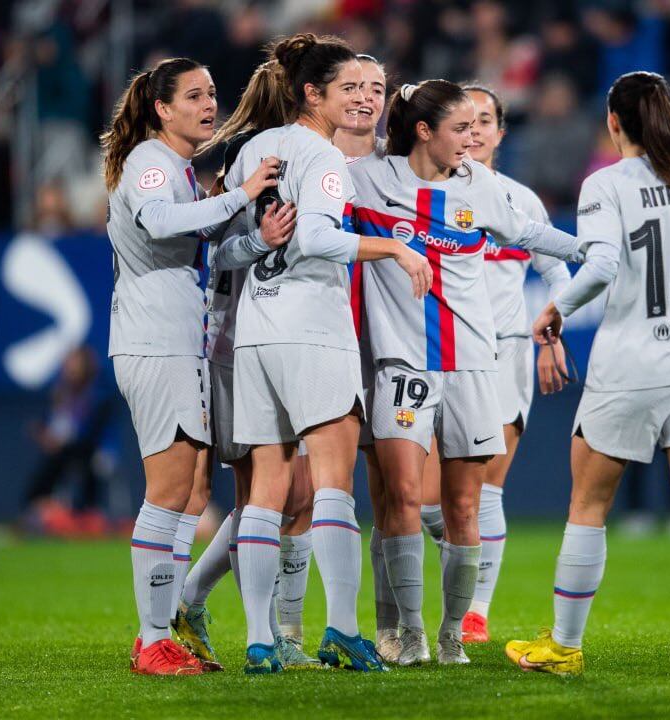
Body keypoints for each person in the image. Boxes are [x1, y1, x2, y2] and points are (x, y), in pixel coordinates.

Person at [502, 70, 670, 680]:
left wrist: (556, 309)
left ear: (613, 122)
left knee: (588, 503)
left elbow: (601, 264)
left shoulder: (606, 183)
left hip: (634, 359)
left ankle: (565, 648)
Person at [349, 78, 582, 666]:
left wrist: (591, 252)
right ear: (425, 131)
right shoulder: (372, 177)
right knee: (401, 495)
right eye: (459, 128)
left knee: (462, 507)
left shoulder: (481, 186)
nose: (470, 141)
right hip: (404, 363)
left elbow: (528, 234)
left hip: (475, 364)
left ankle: (453, 633)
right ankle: (410, 633)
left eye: (479, 128)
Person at [227, 33, 430, 674]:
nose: (360, 99)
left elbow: (227, 250)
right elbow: (316, 238)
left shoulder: (253, 151)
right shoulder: (324, 158)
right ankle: (342, 629)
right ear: (313, 94)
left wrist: (263, 245)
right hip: (312, 328)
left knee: (266, 491)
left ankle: (261, 640)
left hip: (255, 328)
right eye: (346, 88)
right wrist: (394, 248)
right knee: (334, 489)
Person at [100, 56, 279, 676]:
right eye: (195, 95)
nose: (210, 104)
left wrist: (256, 234)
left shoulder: (175, 165)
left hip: (181, 341)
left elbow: (201, 238)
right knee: (171, 491)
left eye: (213, 93)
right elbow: (159, 220)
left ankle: (166, 625)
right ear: (162, 108)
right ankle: (152, 638)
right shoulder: (151, 164)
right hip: (155, 342)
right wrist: (241, 193)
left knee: (196, 489)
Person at [171, 57, 317, 672]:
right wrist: (262, 239)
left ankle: (198, 601)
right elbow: (221, 253)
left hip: (287, 337)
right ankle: (274, 632)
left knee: (286, 494)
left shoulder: (306, 159)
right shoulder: (252, 166)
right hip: (238, 345)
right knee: (274, 493)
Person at [416, 84, 571, 645]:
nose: (476, 130)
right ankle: (455, 584)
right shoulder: (421, 193)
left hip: (504, 351)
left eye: (486, 121)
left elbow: (558, 274)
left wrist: (553, 328)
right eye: (466, 120)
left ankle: (474, 611)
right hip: (434, 351)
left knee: (484, 492)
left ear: (501, 133)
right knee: (424, 500)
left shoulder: (519, 201)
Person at [331, 53, 404, 660]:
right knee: (302, 490)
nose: (364, 97)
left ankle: (386, 628)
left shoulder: (398, 169)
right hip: (321, 338)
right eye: (351, 86)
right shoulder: (307, 159)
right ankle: (287, 629)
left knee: (387, 491)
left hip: (385, 344)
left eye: (375, 88)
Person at [21, 345, 113, 537]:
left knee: (83, 460)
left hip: (92, 449)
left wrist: (64, 440)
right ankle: (43, 508)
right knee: (53, 461)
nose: (69, 368)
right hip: (63, 450)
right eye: (67, 363)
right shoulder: (60, 392)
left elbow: (93, 431)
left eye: (74, 363)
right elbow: (52, 421)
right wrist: (45, 433)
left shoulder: (98, 393)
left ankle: (86, 512)